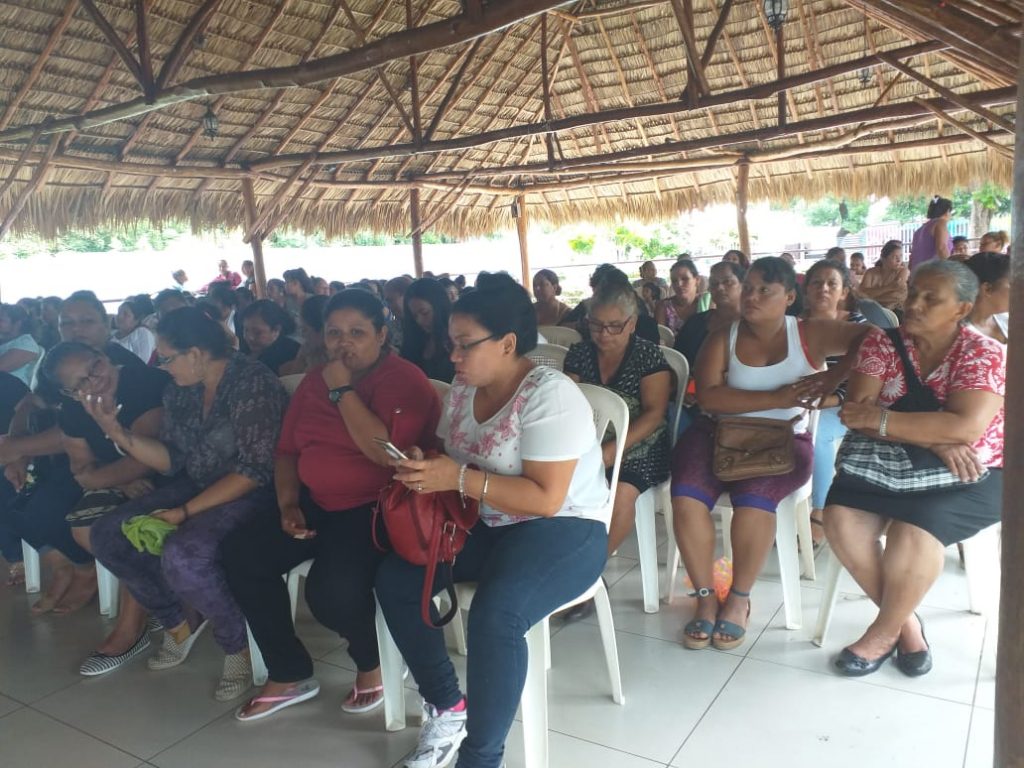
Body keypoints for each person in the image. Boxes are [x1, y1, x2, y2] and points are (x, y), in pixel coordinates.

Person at [376, 274, 610, 768]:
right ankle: (446, 703)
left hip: (566, 529)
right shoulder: (464, 390)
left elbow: (546, 500)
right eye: (450, 345)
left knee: (495, 616)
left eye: (464, 345)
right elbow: (453, 453)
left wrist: (455, 477)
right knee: (396, 577)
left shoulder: (550, 394)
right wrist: (426, 461)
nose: (454, 357)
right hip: (489, 522)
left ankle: (481, 757)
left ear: (507, 344)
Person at [223, 289, 441, 720]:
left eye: (357, 332)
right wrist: (288, 504)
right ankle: (289, 670)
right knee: (241, 554)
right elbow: (287, 451)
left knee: (331, 593)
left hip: (378, 507)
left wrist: (341, 389)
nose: (344, 343)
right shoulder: (313, 380)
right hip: (316, 502)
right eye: (334, 333)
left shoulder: (402, 378)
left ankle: (372, 662)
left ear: (382, 334)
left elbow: (386, 455)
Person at [87, 307, 287, 700]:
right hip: (196, 483)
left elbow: (255, 470)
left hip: (253, 492)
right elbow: (173, 457)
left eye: (167, 358)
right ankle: (177, 619)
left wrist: (185, 512)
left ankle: (237, 643)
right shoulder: (181, 389)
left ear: (195, 354)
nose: (162, 366)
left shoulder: (252, 383)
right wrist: (117, 432)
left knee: (184, 553)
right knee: (108, 533)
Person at [671, 257, 869, 651]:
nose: (753, 297)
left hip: (783, 441)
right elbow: (709, 396)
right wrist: (775, 396)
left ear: (790, 297)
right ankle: (706, 598)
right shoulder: (722, 337)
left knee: (753, 502)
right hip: (722, 432)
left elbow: (874, 337)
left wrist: (835, 373)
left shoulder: (811, 333)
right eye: (750, 288)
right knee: (686, 495)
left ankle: (739, 600)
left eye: (766, 290)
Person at [824, 260, 1004, 677]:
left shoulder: (983, 354)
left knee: (913, 532)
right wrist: (935, 440)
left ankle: (884, 633)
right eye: (913, 294)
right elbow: (856, 413)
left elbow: (965, 428)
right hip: (884, 466)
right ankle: (906, 623)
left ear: (961, 309)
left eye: (930, 298)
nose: (914, 305)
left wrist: (885, 422)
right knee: (840, 518)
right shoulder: (882, 344)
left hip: (972, 474)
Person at [41, 342, 169, 662]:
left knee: (120, 529)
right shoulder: (74, 410)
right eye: (80, 382)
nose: (93, 381)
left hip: (170, 472)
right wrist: (121, 479)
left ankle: (132, 626)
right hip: (122, 481)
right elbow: (80, 468)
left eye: (94, 367)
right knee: (82, 527)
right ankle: (152, 595)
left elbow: (146, 459)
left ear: (105, 356)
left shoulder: (145, 381)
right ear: (70, 394)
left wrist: (111, 475)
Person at [565, 283, 670, 559]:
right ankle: (566, 555)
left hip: (642, 442)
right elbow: (570, 404)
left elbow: (654, 413)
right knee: (558, 479)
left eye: (614, 326)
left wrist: (611, 451)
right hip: (591, 438)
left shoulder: (647, 355)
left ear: (632, 323)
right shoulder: (579, 353)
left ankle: (591, 568)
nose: (603, 334)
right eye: (596, 325)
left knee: (621, 492)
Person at [799, 260, 868, 546]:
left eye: (832, 284)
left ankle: (820, 509)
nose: (823, 289)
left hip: (847, 403)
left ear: (844, 292)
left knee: (817, 434)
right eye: (816, 283)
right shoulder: (794, 323)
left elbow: (865, 376)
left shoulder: (858, 326)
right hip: (801, 399)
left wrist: (832, 398)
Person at [673, 261, 745, 371]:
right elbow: (678, 364)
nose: (720, 287)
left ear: (743, 285)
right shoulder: (695, 323)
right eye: (714, 283)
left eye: (728, 282)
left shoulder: (754, 325)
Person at [401, 278, 455, 383]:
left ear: (439, 306)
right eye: (414, 316)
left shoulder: (456, 340)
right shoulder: (416, 340)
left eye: (425, 313)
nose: (420, 321)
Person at [240, 300, 301, 376]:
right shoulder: (244, 349)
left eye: (257, 332)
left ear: (276, 330)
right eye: (246, 330)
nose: (250, 337)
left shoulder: (289, 353)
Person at [965, 251, 1009, 344]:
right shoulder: (960, 338)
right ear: (987, 289)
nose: (1020, 291)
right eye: (1014, 284)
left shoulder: (1008, 321)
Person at [280, 295, 330, 376]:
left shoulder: (340, 357)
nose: (303, 335)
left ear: (323, 331)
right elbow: (293, 376)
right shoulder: (308, 349)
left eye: (305, 330)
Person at [857, 240, 909, 311]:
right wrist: (889, 287)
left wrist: (871, 297)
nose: (899, 260)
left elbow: (896, 297)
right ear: (883, 258)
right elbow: (861, 295)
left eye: (901, 256)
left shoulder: (903, 271)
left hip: (895, 312)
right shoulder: (871, 272)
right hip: (871, 311)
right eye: (894, 256)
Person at [0, 304, 43, 387]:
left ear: (17, 323)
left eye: (1, 320)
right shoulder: (4, 340)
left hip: (10, 391)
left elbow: (1, 368)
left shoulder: (26, 344)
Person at [656, 258, 702, 334]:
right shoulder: (664, 307)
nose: (679, 284)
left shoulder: (707, 304)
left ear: (697, 280)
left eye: (685, 279)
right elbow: (661, 339)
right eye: (674, 281)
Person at [909, 196, 953, 269]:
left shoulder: (919, 230)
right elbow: (942, 248)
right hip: (934, 272)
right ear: (947, 211)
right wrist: (952, 269)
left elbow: (912, 258)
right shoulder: (940, 223)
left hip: (919, 273)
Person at [114, 299, 157, 363]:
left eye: (125, 314)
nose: (119, 316)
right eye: (118, 312)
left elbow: (141, 362)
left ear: (136, 320)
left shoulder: (142, 333)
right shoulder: (112, 336)